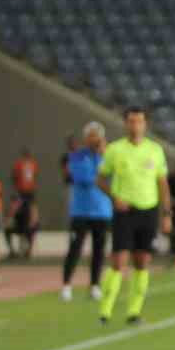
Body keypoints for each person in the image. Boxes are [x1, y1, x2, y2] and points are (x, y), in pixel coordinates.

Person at [96, 107, 170, 325]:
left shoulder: (155, 150)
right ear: (125, 124)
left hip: (148, 210)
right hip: (124, 212)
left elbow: (162, 183)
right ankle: (105, 312)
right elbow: (100, 179)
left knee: (142, 262)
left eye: (139, 121)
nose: (135, 125)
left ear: (145, 124)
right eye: (131, 121)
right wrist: (114, 197)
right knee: (118, 261)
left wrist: (167, 214)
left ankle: (134, 312)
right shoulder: (115, 150)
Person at [62, 121, 111, 302]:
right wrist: (101, 170)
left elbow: (114, 175)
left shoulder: (108, 156)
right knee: (75, 249)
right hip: (81, 211)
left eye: (97, 135)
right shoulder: (77, 156)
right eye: (91, 135)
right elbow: (83, 178)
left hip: (102, 210)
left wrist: (103, 157)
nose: (94, 139)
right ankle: (66, 285)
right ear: (86, 137)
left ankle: (95, 285)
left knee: (99, 251)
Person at [10, 146, 40, 259]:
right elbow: (15, 177)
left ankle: (28, 249)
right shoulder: (20, 164)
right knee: (23, 216)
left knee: (31, 220)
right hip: (22, 192)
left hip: (28, 192)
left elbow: (34, 177)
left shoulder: (33, 164)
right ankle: (22, 248)